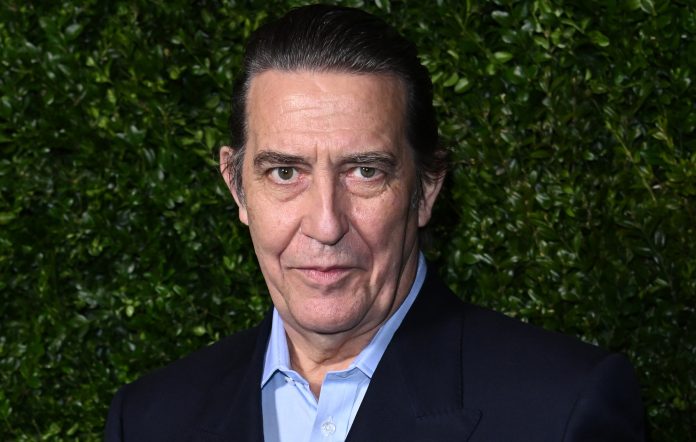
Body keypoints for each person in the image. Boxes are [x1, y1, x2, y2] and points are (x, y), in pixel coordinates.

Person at [105, 5, 645, 441]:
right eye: (285, 172)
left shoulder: (560, 410)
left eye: (365, 171)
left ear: (426, 189)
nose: (325, 224)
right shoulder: (149, 419)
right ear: (237, 186)